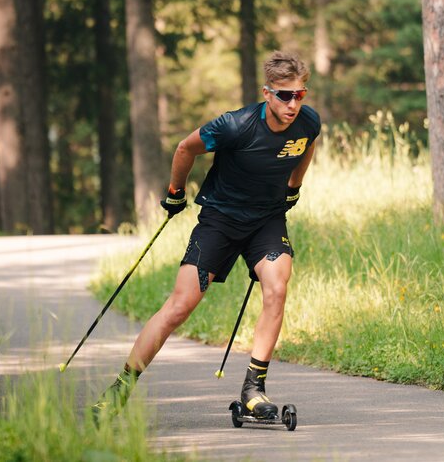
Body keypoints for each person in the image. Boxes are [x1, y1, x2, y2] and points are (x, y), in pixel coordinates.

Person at [92, 50, 321, 424]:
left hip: (266, 220)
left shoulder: (308, 121)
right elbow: (185, 147)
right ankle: (119, 389)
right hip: (220, 220)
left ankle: (253, 389)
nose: (294, 103)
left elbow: (307, 145)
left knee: (277, 287)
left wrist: (294, 186)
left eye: (300, 94)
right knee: (180, 307)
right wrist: (175, 192)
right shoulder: (236, 125)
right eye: (285, 95)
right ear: (267, 93)